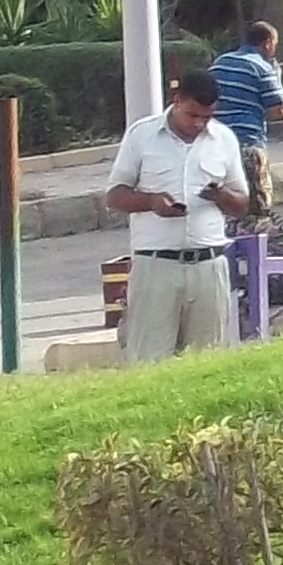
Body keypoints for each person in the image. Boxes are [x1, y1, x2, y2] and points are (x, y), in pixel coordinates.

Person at [106, 67, 250, 365]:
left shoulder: (224, 139)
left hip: (209, 265)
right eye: (192, 115)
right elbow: (115, 196)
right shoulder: (142, 135)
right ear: (177, 100)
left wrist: (220, 195)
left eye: (206, 117)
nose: (198, 124)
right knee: (149, 362)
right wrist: (151, 202)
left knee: (208, 363)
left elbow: (242, 204)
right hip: (156, 265)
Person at [208, 18, 283, 221]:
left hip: (216, 144)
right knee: (258, 207)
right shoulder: (262, 67)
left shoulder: (219, 64)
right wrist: (277, 77)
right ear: (267, 43)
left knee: (225, 205)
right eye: (275, 45)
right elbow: (278, 110)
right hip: (248, 143)